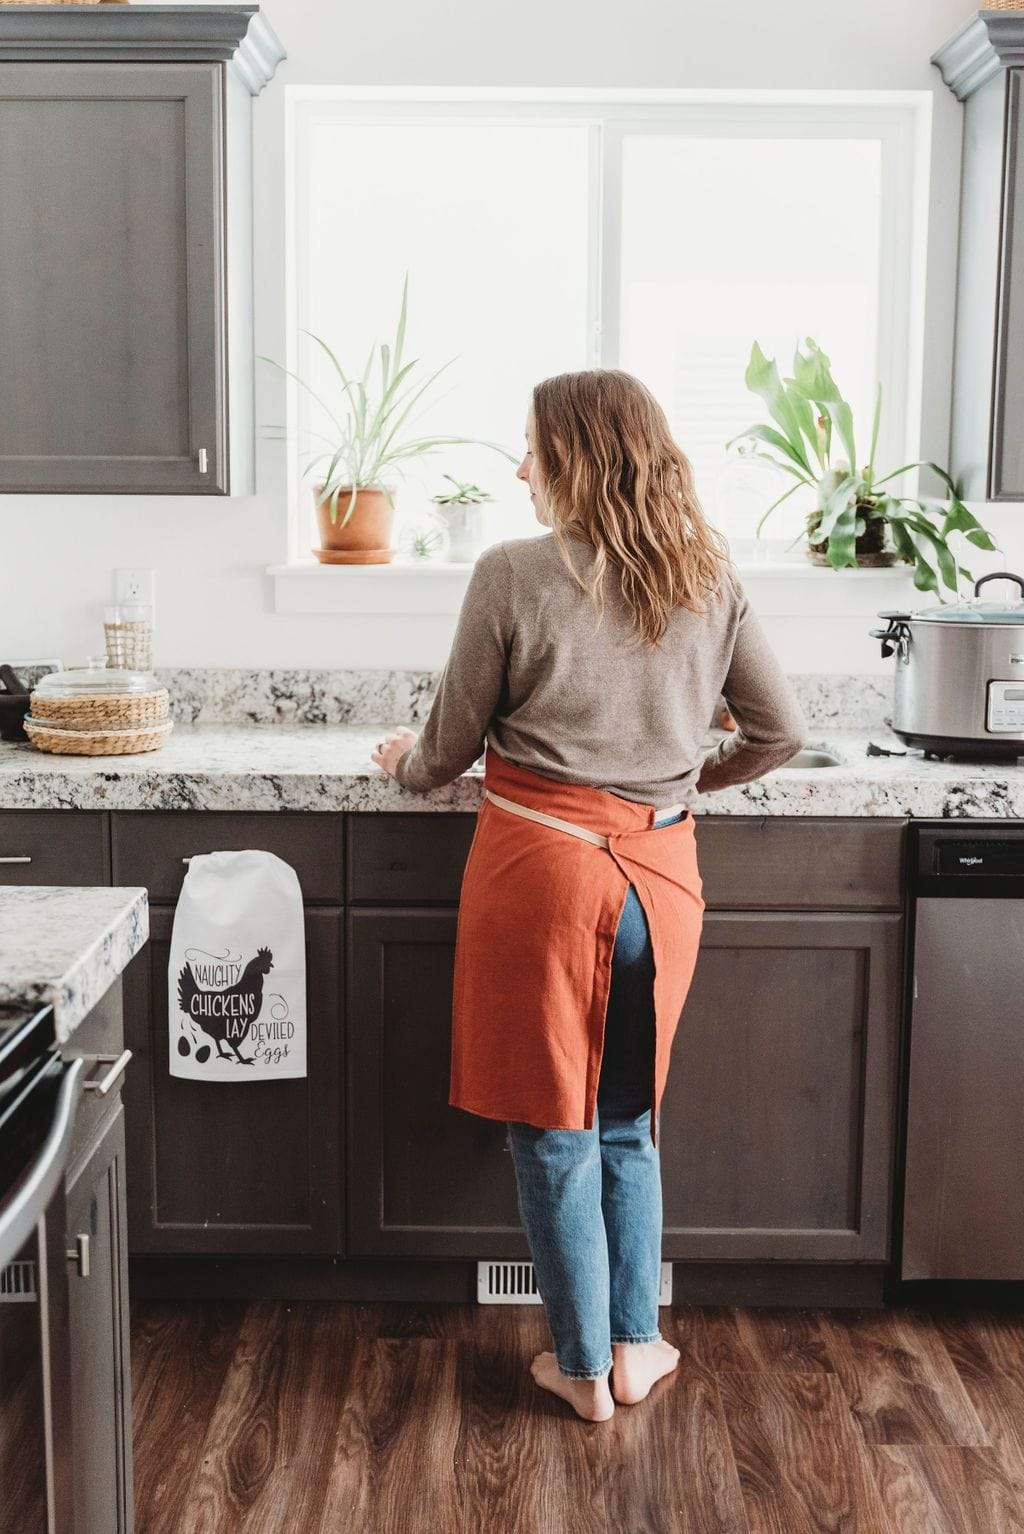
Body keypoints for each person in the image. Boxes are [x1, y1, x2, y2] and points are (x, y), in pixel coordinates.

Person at [371, 369, 805, 1423]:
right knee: (626, 1120)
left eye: (530, 447)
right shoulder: (707, 573)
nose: (520, 468)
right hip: (660, 876)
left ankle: (576, 1366)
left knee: (550, 1127)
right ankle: (633, 1347)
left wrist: (399, 762)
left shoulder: (512, 573)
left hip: (542, 874)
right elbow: (780, 731)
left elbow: (447, 747)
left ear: (572, 457)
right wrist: (675, 782)